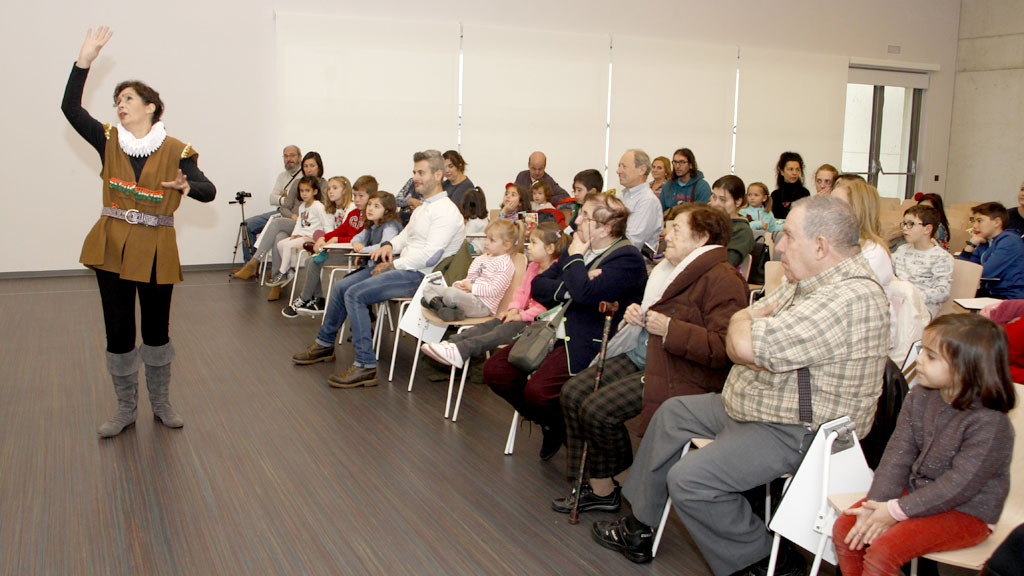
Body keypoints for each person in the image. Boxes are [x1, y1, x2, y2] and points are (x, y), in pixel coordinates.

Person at [591, 196, 890, 573]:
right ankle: (640, 528)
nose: (778, 248)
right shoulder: (810, 282)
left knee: (691, 479)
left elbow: (742, 343)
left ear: (820, 246)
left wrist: (746, 321)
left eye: (789, 238)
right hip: (760, 404)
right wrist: (747, 319)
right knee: (674, 412)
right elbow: (747, 321)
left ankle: (767, 562)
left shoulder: (848, 297)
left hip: (798, 428)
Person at [62, 27, 217, 437]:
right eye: (117, 101)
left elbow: (208, 189)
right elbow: (71, 109)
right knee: (118, 329)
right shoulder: (108, 139)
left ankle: (161, 402)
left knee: (155, 329)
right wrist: (84, 62)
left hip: (156, 248)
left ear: (151, 106)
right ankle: (125, 408)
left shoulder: (177, 150)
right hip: (110, 243)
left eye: (127, 98)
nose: (119, 105)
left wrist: (187, 186)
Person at [551, 204, 748, 517]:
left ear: (701, 238)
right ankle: (597, 484)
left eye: (675, 230)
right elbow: (659, 316)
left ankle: (621, 479)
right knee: (573, 392)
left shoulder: (723, 280)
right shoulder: (669, 269)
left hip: (678, 370)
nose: (665, 235)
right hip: (648, 354)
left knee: (597, 409)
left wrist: (669, 328)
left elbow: (721, 349)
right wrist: (638, 316)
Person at [833, 314, 1015, 576]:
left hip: (968, 512)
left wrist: (896, 511)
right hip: (918, 496)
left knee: (883, 552)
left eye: (931, 356)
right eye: (923, 351)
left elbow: (959, 486)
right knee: (846, 530)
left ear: (966, 368)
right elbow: (898, 453)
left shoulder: (990, 423)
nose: (918, 360)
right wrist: (876, 505)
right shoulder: (920, 395)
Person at [483, 193, 648, 459]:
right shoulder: (580, 248)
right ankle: (553, 423)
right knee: (495, 371)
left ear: (605, 228)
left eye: (586, 216)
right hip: (552, 330)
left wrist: (575, 264)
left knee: (538, 392)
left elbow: (585, 295)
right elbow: (539, 286)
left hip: (586, 339)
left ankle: (559, 427)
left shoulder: (626, 258)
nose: (578, 219)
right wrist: (575, 283)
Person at [291, 150, 465, 388]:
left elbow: (431, 256)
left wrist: (393, 264)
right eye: (414, 172)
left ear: (438, 174)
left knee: (356, 294)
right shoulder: (425, 208)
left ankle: (365, 366)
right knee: (342, 286)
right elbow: (404, 237)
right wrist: (388, 247)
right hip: (406, 268)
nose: (415, 177)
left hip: (423, 277)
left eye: (421, 172)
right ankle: (324, 344)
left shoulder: (445, 211)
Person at [421, 222, 568, 369]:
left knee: (500, 332)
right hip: (520, 315)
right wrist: (514, 308)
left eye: (534, 243)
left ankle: (461, 351)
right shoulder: (534, 266)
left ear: (549, 248)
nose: (528, 246)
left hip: (537, 324)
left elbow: (547, 307)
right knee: (487, 326)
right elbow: (521, 292)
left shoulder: (557, 273)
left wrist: (521, 316)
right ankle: (452, 344)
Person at [232, 150, 326, 292]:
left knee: (276, 224)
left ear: (319, 166)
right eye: (306, 166)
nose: (309, 169)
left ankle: (254, 262)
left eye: (312, 166)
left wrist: (300, 219)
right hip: (292, 221)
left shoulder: (324, 185)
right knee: (279, 236)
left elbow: (324, 210)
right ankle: (278, 282)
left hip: (309, 226)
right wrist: (293, 216)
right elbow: (284, 207)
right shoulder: (297, 183)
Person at [421, 219, 518, 321]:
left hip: (482, 305)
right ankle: (444, 309)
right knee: (429, 288)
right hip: (468, 296)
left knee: (451, 294)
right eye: (486, 238)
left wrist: (471, 287)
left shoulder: (505, 264)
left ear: (507, 245)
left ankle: (435, 303)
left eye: (492, 240)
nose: (486, 243)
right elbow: (469, 279)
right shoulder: (481, 258)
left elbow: (494, 290)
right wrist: (460, 284)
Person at [240, 145, 302, 260]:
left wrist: (285, 198)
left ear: (300, 157)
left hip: (293, 215)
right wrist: (287, 199)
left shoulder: (305, 176)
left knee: (277, 232)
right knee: (247, 225)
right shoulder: (282, 176)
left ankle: (256, 263)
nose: (289, 159)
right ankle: (249, 265)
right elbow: (272, 199)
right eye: (286, 156)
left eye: (292, 155)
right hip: (279, 212)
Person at [832, 179, 894, 291]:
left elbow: (846, 294)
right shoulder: (833, 244)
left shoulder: (874, 252)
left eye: (837, 204)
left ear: (857, 210)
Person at [892, 205, 953, 317]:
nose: (905, 228)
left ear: (927, 229)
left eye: (911, 224)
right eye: (904, 224)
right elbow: (886, 270)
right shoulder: (902, 250)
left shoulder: (941, 257)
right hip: (898, 303)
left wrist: (912, 296)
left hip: (923, 308)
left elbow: (943, 292)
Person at [267, 176, 328, 287]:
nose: (304, 194)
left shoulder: (318, 206)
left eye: (307, 190)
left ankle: (281, 272)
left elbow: (326, 222)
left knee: (288, 246)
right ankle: (289, 270)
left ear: (315, 191)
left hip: (311, 238)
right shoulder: (302, 207)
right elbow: (299, 223)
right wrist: (294, 234)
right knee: (280, 244)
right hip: (302, 235)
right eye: (301, 191)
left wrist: (324, 238)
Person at [957, 202, 1024, 299]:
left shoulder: (1010, 241)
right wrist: (971, 245)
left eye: (980, 221)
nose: (975, 226)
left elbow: (984, 273)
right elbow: (963, 270)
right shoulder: (985, 241)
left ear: (997, 222)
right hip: (990, 293)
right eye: (974, 221)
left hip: (1009, 296)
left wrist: (968, 273)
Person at [616, 149, 664, 250]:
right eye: (619, 166)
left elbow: (632, 242)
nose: (618, 171)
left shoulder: (647, 201)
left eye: (624, 166)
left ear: (642, 170)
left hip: (630, 261)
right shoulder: (625, 197)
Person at [708, 175, 755, 268]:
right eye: (714, 197)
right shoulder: (707, 222)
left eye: (723, 199)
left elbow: (726, 265)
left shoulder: (742, 231)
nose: (716, 204)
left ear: (738, 202)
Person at [770, 151, 811, 220]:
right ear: (782, 171)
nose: (794, 173)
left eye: (797, 169)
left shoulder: (804, 193)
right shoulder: (775, 194)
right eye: (790, 169)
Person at [461, 186, 488, 255]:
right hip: (480, 247)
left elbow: (466, 238)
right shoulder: (484, 219)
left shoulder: (474, 221)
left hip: (475, 248)